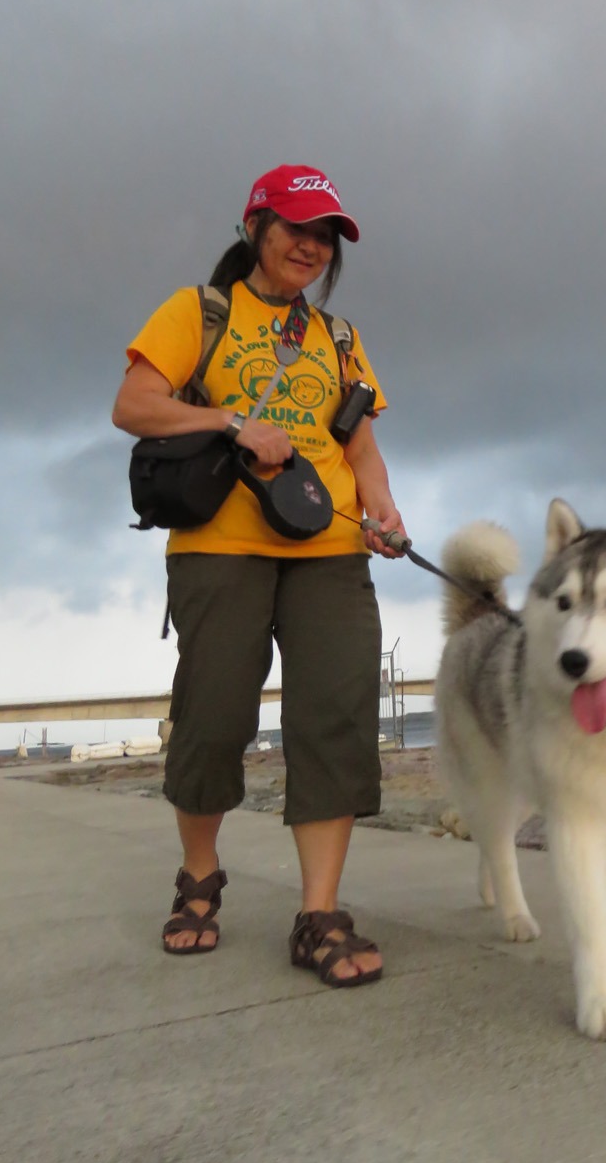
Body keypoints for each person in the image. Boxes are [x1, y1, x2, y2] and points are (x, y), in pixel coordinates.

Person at [113, 163, 404, 987]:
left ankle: (320, 913)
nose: (310, 246)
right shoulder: (199, 311)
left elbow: (361, 448)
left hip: (330, 551)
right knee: (212, 718)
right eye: (296, 228)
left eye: (326, 236)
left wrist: (383, 512)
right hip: (220, 545)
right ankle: (199, 877)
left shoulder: (340, 340)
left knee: (337, 721)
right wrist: (235, 421)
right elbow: (133, 404)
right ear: (255, 226)